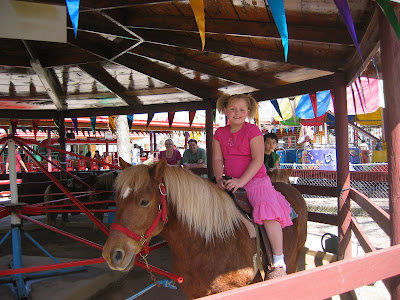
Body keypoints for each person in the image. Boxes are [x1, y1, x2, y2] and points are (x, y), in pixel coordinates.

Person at [213, 93, 293, 278]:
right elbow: (217, 158)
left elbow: (258, 160)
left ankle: (278, 260)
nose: (237, 113)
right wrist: (219, 179)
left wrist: (241, 182)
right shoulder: (219, 133)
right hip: (229, 180)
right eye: (233, 109)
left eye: (241, 110)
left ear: (248, 112)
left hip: (255, 181)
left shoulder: (253, 131)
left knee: (268, 212)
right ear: (225, 110)